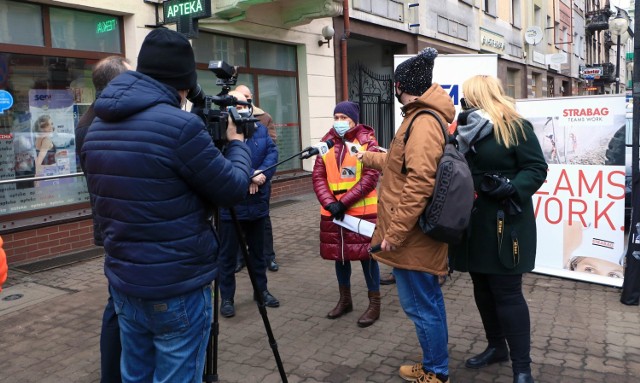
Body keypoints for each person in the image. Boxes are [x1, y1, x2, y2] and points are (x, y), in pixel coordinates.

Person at [81, 28, 252, 383]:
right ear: (184, 85)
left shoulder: (97, 125)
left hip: (124, 282)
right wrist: (236, 143)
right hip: (175, 285)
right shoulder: (181, 127)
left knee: (135, 375)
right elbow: (233, 188)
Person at [357, 48, 454, 382]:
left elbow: (419, 182)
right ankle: (433, 364)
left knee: (421, 306)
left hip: (413, 236)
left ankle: (436, 372)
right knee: (424, 303)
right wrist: (366, 157)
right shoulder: (417, 118)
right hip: (411, 233)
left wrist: (394, 234)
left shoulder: (423, 121)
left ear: (399, 85)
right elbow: (399, 165)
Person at [448, 75, 548, 383]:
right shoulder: (463, 130)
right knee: (482, 290)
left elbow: (536, 168)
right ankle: (496, 347)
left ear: (479, 95)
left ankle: (522, 368)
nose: (463, 101)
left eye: (467, 96)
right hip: (474, 222)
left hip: (506, 221)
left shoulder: (515, 127)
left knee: (507, 294)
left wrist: (511, 187)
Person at [75, 55, 131, 383]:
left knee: (118, 301)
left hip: (111, 222)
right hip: (117, 223)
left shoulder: (93, 117)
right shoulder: (100, 122)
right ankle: (112, 374)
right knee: (118, 304)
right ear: (116, 83)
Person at [312, 101, 382, 328]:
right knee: (339, 254)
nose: (339, 121)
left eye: (344, 117)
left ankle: (374, 303)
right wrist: (330, 203)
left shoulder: (366, 141)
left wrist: (343, 203)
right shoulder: (326, 142)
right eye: (337, 117)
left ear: (354, 119)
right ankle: (345, 299)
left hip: (360, 210)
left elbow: (371, 176)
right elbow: (318, 176)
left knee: (366, 256)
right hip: (333, 211)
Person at [218, 90, 280, 318]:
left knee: (258, 254)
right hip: (231, 206)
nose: (238, 109)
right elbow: (218, 163)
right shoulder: (220, 133)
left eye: (242, 105)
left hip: (257, 202)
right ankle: (227, 298)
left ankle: (261, 291)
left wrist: (260, 174)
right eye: (234, 105)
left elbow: (272, 154)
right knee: (226, 256)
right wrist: (247, 178)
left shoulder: (260, 129)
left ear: (250, 106)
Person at [234, 84, 280, 272]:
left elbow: (270, 149)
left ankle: (267, 257)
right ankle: (239, 258)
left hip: (261, 182)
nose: (244, 103)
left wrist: (259, 174)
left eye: (246, 98)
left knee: (263, 221)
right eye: (239, 100)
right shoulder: (225, 122)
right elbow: (228, 154)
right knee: (237, 221)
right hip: (239, 181)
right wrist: (249, 175)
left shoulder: (263, 119)